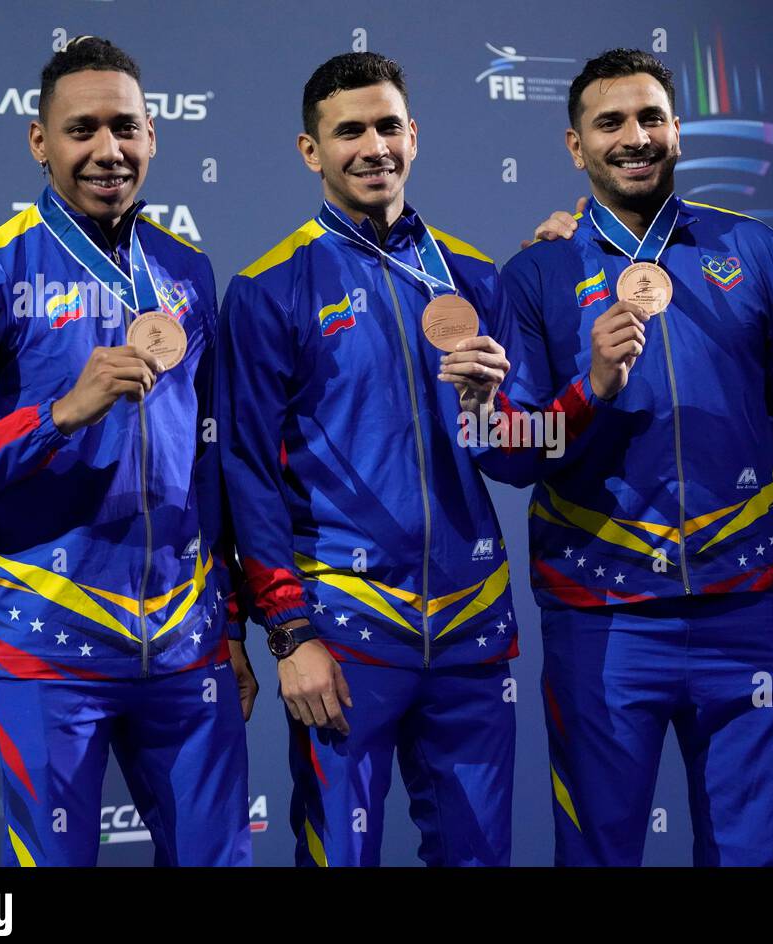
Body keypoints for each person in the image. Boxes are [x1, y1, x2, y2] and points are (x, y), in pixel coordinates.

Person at [0, 36, 254, 867]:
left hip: (184, 642)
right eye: (81, 129)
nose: (107, 151)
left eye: (124, 128)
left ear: (153, 135)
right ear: (39, 141)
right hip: (48, 644)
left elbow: (208, 466)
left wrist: (229, 619)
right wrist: (58, 415)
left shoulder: (186, 270)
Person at [219, 52, 583, 866]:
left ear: (414, 135)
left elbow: (524, 461)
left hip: (470, 626)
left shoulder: (474, 274)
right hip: (346, 629)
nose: (372, 146)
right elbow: (246, 473)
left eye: (388, 126)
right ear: (311, 151)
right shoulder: (268, 287)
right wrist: (288, 634)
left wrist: (495, 412)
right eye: (348, 131)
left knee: (479, 857)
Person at [472, 49, 773, 866]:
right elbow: (514, 454)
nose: (635, 138)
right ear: (574, 145)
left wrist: (722, 508)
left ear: (676, 130)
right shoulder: (534, 275)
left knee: (746, 857)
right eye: (610, 122)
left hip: (746, 612)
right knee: (598, 854)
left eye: (651, 118)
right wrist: (590, 386)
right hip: (602, 621)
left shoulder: (756, 251)